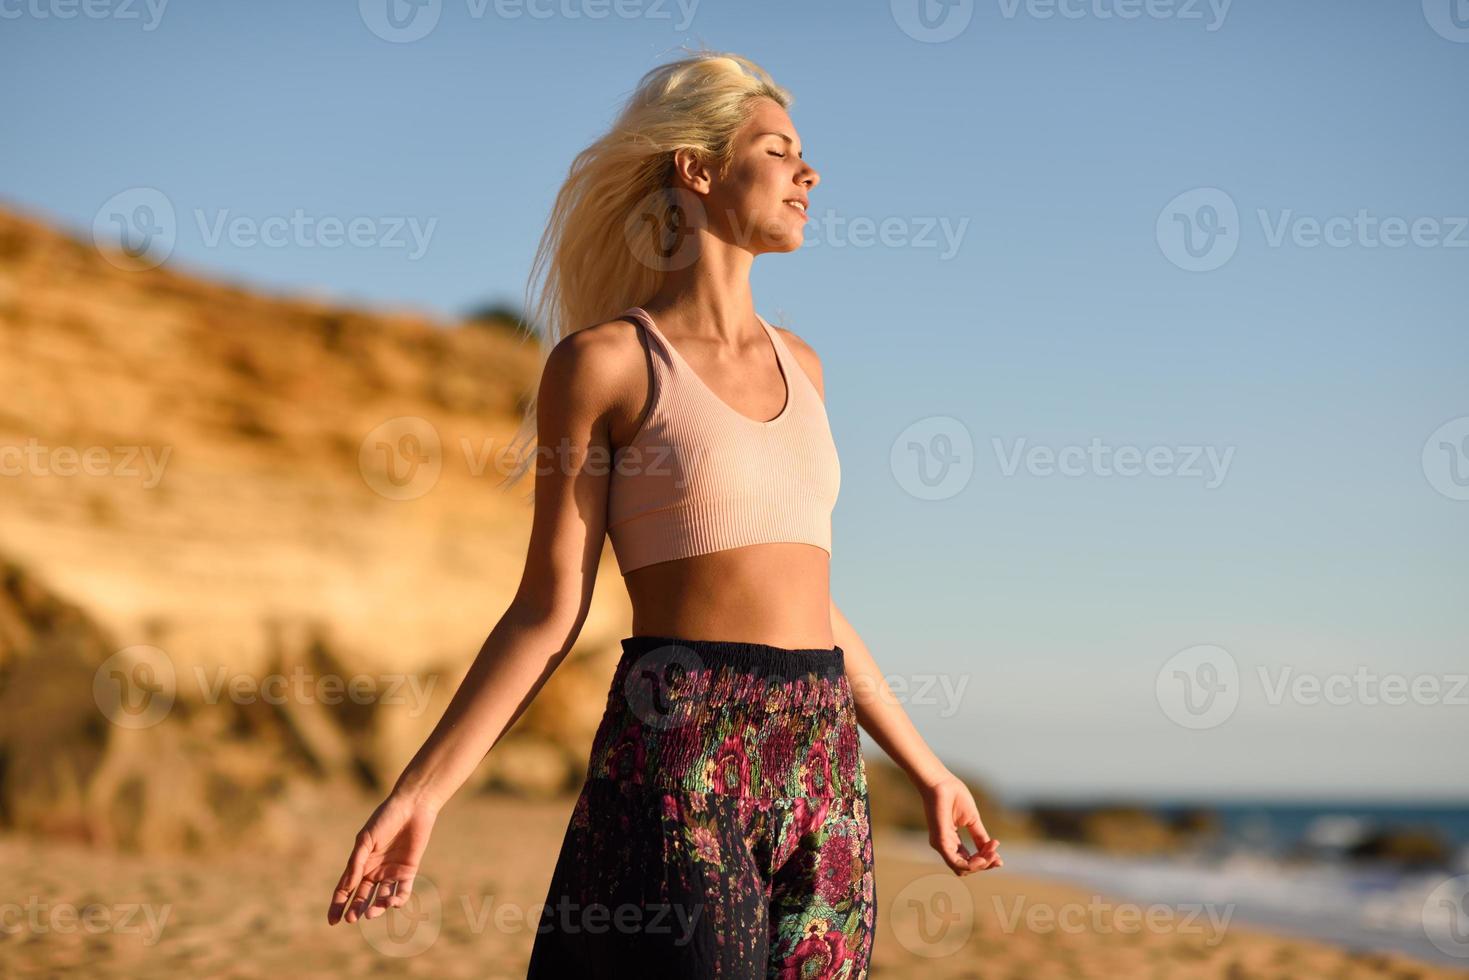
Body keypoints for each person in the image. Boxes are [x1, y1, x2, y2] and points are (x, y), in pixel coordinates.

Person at [325, 48, 1002, 978]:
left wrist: (927, 771)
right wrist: (422, 793)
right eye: (777, 149)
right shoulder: (604, 365)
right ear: (696, 169)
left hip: (824, 760)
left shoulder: (803, 366)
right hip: (683, 743)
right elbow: (546, 609)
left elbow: (814, 603)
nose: (809, 172)